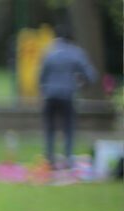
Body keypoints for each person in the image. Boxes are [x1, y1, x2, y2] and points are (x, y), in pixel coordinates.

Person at [39, 24, 98, 169]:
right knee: (69, 127)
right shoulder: (76, 52)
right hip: (67, 95)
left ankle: (50, 158)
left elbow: (41, 77)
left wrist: (45, 89)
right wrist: (82, 85)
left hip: (50, 95)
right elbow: (91, 75)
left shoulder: (49, 51)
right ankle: (68, 158)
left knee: (50, 128)